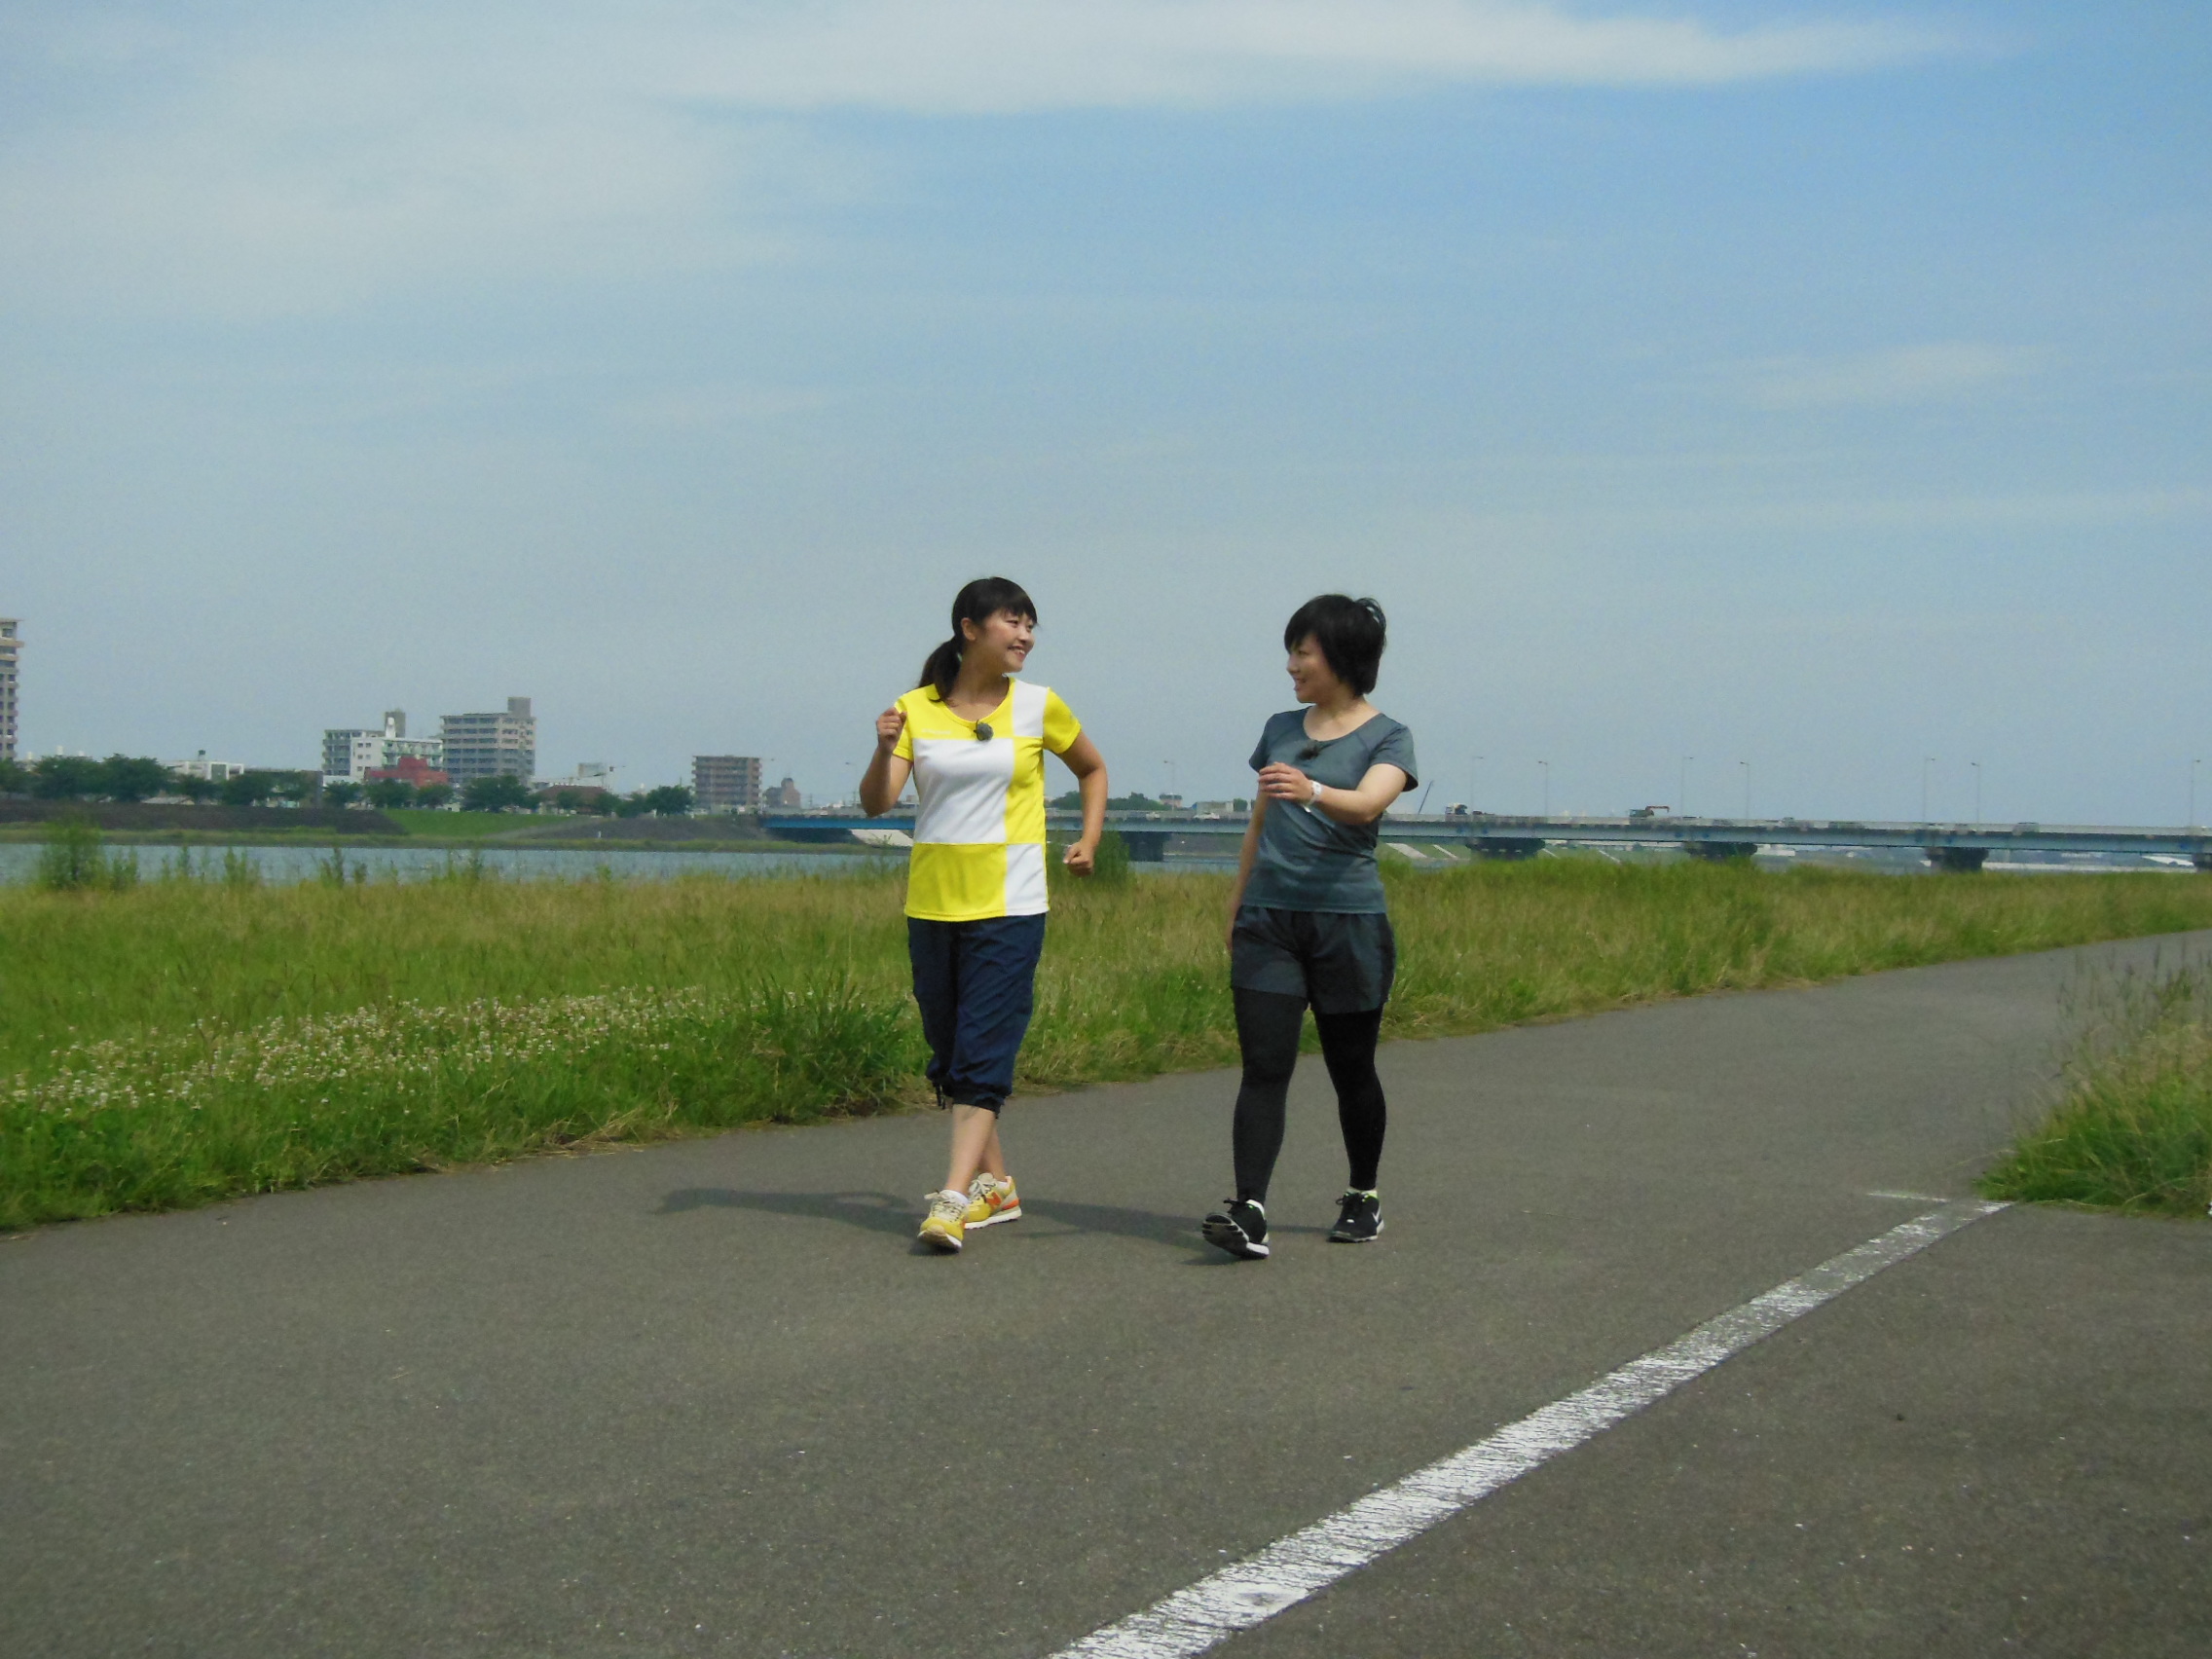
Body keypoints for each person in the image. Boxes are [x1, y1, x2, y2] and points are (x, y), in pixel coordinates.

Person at [860, 576, 1109, 1253]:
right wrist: (884, 747)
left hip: (1010, 905)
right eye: (1012, 622)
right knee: (950, 1049)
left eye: (1030, 624)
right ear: (970, 629)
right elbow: (878, 803)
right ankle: (996, 1186)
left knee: (984, 1047)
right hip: (933, 904)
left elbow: (1092, 769)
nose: (1025, 635)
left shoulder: (1039, 705)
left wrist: (1088, 838)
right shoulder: (915, 708)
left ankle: (952, 1200)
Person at [1203, 595, 1417, 1261]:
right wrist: (1237, 903)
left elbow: (1370, 803)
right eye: (1291, 652)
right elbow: (1260, 821)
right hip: (1270, 920)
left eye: (1303, 652)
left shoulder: (1389, 737)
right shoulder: (1279, 728)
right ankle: (1250, 1210)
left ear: (1342, 658)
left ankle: (1362, 1195)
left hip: (1348, 923)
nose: (1292, 665)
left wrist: (1314, 790)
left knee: (1351, 1068)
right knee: (1264, 1066)